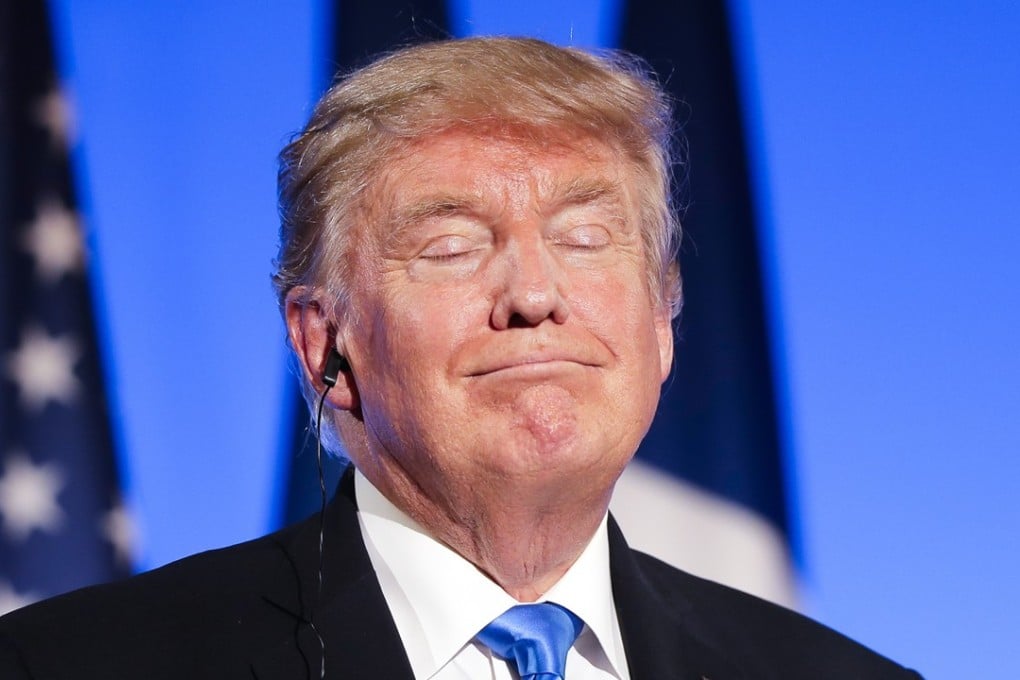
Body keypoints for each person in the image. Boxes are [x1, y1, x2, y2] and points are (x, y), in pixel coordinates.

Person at [0, 37, 921, 679]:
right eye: (450, 246)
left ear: (664, 319)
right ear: (326, 341)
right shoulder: (76, 665)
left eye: (587, 236)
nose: (533, 294)